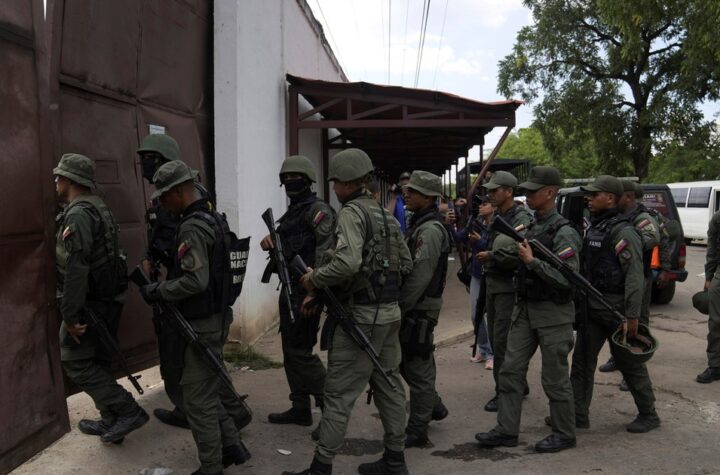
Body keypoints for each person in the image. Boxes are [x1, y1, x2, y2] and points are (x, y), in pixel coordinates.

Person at [284, 148, 413, 475]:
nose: (334, 189)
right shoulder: (385, 215)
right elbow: (406, 263)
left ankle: (321, 467)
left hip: (361, 318)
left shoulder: (352, 213)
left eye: (335, 183)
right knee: (389, 386)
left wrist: (314, 279)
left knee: (338, 395)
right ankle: (395, 459)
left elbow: (347, 263)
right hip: (389, 313)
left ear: (345, 182)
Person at [137, 133, 252, 433]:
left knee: (182, 357)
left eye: (149, 160)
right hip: (186, 281)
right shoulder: (183, 195)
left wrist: (162, 286)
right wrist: (152, 256)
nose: (144, 165)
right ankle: (231, 410)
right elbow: (161, 236)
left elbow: (187, 244)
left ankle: (190, 410)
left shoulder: (186, 201)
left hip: (186, 285)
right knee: (205, 359)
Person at [474, 166, 580, 453]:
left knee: (554, 378)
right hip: (526, 309)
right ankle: (506, 429)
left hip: (553, 314)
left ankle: (564, 433)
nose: (528, 195)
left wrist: (533, 263)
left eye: (534, 191)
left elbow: (568, 280)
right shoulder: (533, 226)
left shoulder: (565, 232)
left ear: (550, 193)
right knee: (510, 370)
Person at [54, 153, 148, 443]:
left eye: (59, 176)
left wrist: (70, 315)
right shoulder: (97, 206)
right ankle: (111, 420)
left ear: (70, 180)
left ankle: (128, 410)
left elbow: (76, 268)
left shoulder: (78, 214)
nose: (55, 182)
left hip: (90, 302)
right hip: (106, 298)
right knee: (98, 360)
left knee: (75, 361)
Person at [570, 175, 661, 433]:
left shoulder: (624, 231)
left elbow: (634, 276)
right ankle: (577, 414)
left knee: (629, 363)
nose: (588, 199)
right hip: (592, 306)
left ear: (610, 198)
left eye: (594, 194)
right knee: (581, 362)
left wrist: (632, 316)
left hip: (615, 310)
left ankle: (649, 413)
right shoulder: (596, 227)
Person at [261, 155, 335, 431]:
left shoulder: (319, 211)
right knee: (290, 353)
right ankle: (301, 407)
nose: (291, 182)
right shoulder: (293, 213)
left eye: (296, 178)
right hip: (290, 289)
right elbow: (287, 245)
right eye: (287, 178)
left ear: (308, 180)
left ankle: (332, 411)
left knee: (301, 353)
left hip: (307, 292)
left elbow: (326, 253)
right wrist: (271, 241)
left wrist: (315, 292)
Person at [398, 171, 452, 448]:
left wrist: (400, 307)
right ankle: (434, 406)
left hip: (419, 308)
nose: (407, 194)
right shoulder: (420, 223)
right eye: (407, 190)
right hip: (416, 306)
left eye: (414, 192)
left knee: (418, 368)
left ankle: (418, 430)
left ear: (429, 198)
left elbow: (420, 276)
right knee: (407, 362)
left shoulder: (429, 229)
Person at [477, 171, 532, 412]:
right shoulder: (498, 216)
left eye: (494, 190)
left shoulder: (520, 217)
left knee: (502, 343)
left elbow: (516, 250)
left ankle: (504, 392)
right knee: (497, 338)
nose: (490, 194)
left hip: (508, 287)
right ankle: (518, 384)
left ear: (509, 192)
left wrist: (492, 255)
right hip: (494, 284)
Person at [599, 181, 659, 392]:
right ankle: (617, 359)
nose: (614, 198)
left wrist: (628, 239)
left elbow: (652, 238)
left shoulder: (642, 217)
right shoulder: (616, 218)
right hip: (619, 280)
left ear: (629, 197)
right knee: (617, 324)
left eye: (619, 195)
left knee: (637, 325)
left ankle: (634, 369)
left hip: (638, 278)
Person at [453, 194, 494, 368]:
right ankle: (483, 349)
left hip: (493, 275)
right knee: (475, 315)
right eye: (480, 204)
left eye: (485, 204)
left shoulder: (498, 224)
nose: (481, 206)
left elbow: (497, 249)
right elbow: (457, 238)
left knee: (492, 316)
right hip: (477, 274)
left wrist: (480, 241)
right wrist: (450, 223)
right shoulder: (475, 222)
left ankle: (493, 353)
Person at [698, 210, 720, 383]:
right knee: (716, 321)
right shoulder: (718, 218)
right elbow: (712, 247)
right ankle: (716, 366)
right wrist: (709, 276)